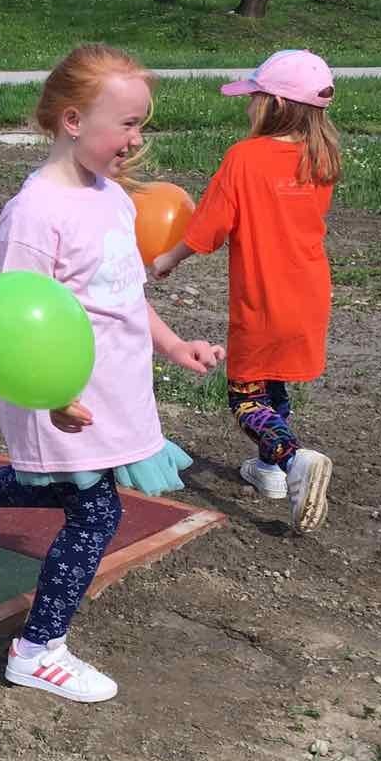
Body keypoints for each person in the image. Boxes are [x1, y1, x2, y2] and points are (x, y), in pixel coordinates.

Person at [0, 44, 224, 703]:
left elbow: (123, 293)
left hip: (111, 384)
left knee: (64, 486)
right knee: (95, 510)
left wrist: (172, 344)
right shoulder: (34, 215)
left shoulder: (112, 198)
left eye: (142, 123)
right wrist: (54, 395)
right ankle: (38, 648)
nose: (136, 139)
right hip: (55, 389)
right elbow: (9, 322)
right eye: (126, 123)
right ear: (72, 120)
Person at [150, 49, 339, 533]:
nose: (248, 105)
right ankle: (270, 471)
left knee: (247, 397)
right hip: (310, 295)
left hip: (263, 299)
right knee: (274, 381)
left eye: (254, 97)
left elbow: (208, 227)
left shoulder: (244, 158)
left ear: (274, 103)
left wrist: (165, 260)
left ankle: (294, 460)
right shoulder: (321, 157)